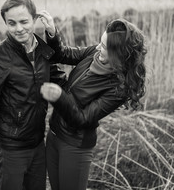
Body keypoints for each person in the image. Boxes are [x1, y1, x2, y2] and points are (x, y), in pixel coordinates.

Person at [0, 0, 65, 190]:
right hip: (10, 149)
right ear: (6, 24)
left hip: (37, 144)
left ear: (35, 20)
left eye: (24, 22)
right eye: (12, 23)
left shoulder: (42, 50)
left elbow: (60, 78)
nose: (19, 29)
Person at [40, 17, 147, 190]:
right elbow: (63, 54)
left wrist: (59, 97)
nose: (98, 47)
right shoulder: (94, 54)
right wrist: (52, 34)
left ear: (117, 54)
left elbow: (83, 119)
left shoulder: (119, 87)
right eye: (101, 42)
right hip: (53, 135)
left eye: (104, 47)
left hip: (74, 147)